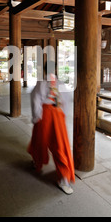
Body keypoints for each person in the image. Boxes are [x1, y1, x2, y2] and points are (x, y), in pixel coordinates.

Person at [27, 61, 75, 194]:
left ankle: (37, 162)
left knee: (39, 140)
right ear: (55, 69)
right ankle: (64, 179)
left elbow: (36, 99)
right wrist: (62, 114)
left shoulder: (42, 82)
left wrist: (36, 116)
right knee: (60, 146)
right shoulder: (60, 83)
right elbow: (67, 100)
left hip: (45, 114)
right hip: (58, 115)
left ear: (44, 70)